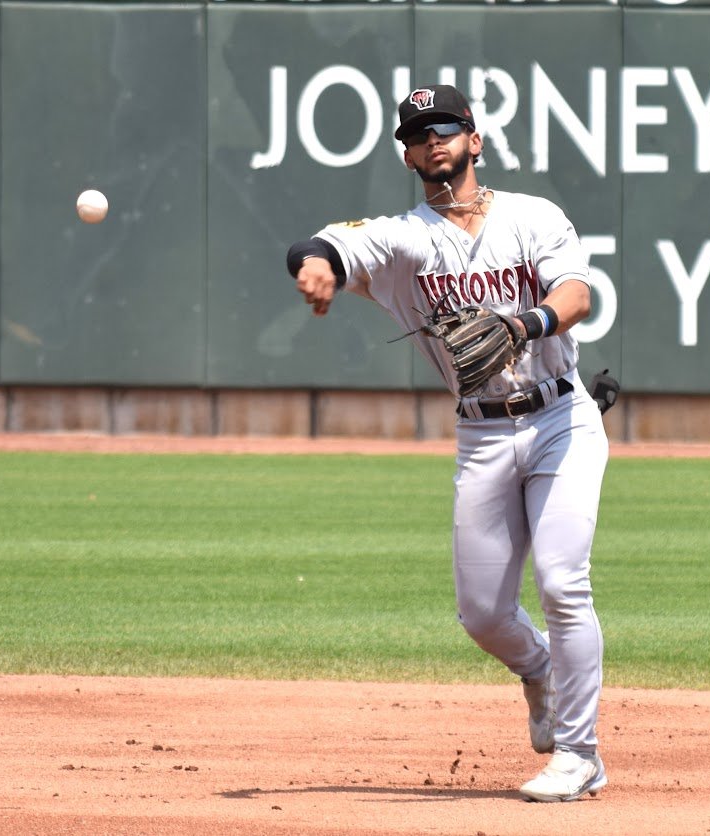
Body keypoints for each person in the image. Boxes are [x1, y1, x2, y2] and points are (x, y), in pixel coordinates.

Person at [285, 84, 609, 803]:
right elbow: (326, 244)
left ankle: (580, 755)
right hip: (481, 433)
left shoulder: (532, 216)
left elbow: (577, 297)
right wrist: (312, 268)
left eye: (444, 127)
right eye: (416, 134)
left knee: (562, 581)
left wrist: (523, 325)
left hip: (561, 419)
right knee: (484, 615)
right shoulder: (403, 237)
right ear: (405, 154)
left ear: (474, 138)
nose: (431, 141)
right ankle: (541, 672)